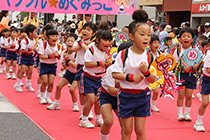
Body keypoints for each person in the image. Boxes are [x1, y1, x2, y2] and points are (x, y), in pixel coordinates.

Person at [112, 9, 156, 140]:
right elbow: (115, 74)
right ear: (131, 36)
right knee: (126, 130)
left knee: (140, 131)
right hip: (126, 95)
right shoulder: (124, 54)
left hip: (143, 96)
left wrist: (146, 72)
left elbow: (153, 79)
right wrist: (132, 78)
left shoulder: (150, 56)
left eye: (148, 35)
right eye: (142, 34)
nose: (146, 38)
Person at [79, 30, 112, 128]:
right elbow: (87, 64)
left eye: (109, 41)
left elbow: (106, 66)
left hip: (99, 78)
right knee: (91, 100)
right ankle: (84, 120)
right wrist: (101, 63)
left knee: (98, 100)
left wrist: (108, 64)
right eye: (105, 40)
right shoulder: (91, 50)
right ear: (97, 40)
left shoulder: (107, 52)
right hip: (87, 77)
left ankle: (98, 119)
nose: (107, 43)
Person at [99, 45, 127, 140]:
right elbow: (111, 90)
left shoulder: (134, 69)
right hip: (105, 95)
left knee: (125, 125)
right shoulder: (112, 68)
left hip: (121, 98)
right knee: (108, 121)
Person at [70, 22, 97, 120]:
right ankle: (83, 110)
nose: (85, 31)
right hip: (79, 67)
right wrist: (82, 43)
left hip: (88, 69)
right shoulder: (79, 40)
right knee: (81, 92)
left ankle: (89, 110)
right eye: (84, 29)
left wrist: (83, 44)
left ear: (93, 34)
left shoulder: (94, 43)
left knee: (89, 93)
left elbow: (88, 50)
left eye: (89, 30)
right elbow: (73, 49)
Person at [173, 27, 201, 121]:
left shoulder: (195, 50)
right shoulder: (178, 50)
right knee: (181, 95)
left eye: (188, 36)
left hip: (191, 75)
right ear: (180, 38)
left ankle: (187, 113)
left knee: (189, 95)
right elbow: (174, 63)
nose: (186, 38)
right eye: (183, 36)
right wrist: (182, 69)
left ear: (192, 39)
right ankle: (179, 113)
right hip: (181, 75)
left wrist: (192, 68)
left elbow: (199, 62)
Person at [47, 33, 79, 111]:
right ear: (65, 42)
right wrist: (69, 61)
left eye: (72, 41)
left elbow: (75, 65)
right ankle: (56, 103)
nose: (70, 43)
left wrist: (67, 60)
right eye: (68, 41)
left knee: (72, 89)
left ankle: (75, 105)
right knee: (58, 86)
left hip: (78, 74)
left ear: (75, 43)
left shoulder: (77, 53)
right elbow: (63, 66)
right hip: (69, 73)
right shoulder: (64, 53)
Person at [37, 29, 61, 104]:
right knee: (44, 82)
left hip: (53, 66)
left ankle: (48, 97)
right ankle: (42, 97)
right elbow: (41, 56)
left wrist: (58, 56)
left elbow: (60, 56)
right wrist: (51, 56)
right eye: (52, 36)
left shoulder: (58, 46)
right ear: (47, 37)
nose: (54, 38)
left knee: (51, 83)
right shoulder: (43, 45)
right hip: (44, 65)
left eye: (56, 36)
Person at [13, 24, 37, 92]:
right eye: (35, 32)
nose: (36, 33)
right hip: (23, 56)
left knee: (30, 71)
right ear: (30, 33)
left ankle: (28, 84)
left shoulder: (34, 40)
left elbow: (33, 49)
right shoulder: (24, 41)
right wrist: (30, 49)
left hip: (30, 56)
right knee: (23, 70)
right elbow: (22, 50)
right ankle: (18, 84)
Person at [35, 24, 54, 98]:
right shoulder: (40, 41)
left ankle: (45, 91)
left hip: (50, 61)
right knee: (41, 76)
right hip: (41, 60)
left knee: (49, 79)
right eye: (46, 33)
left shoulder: (54, 42)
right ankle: (39, 90)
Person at [194, 49, 210, 132]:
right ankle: (199, 122)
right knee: (205, 103)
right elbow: (208, 70)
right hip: (207, 80)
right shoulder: (208, 54)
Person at [149, 35, 161, 112]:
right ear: (149, 45)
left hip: (157, 76)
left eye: (157, 43)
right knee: (148, 92)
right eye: (154, 43)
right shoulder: (147, 53)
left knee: (156, 91)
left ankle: (153, 105)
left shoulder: (160, 53)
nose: (156, 45)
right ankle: (145, 105)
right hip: (148, 75)